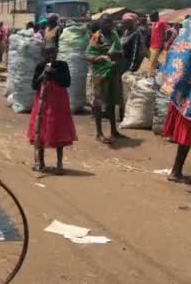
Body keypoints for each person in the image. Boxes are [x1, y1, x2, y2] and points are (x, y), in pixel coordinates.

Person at [27, 46, 77, 174]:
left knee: (58, 130)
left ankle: (59, 164)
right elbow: (34, 85)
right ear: (43, 54)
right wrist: (42, 75)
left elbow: (67, 82)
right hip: (43, 103)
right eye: (47, 53)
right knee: (41, 130)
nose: (51, 55)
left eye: (53, 53)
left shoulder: (62, 65)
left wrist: (54, 73)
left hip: (58, 103)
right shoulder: (40, 66)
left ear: (56, 53)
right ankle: (41, 162)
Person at [156, 19, 191, 183]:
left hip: (183, 87)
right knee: (187, 134)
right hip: (187, 91)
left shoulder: (187, 29)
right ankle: (176, 171)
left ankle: (176, 170)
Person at [86, 14, 125, 144]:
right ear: (100, 24)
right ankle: (99, 133)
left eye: (109, 23)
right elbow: (88, 55)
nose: (107, 26)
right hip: (99, 74)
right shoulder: (96, 37)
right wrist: (100, 58)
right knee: (98, 103)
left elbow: (121, 52)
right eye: (104, 23)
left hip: (113, 73)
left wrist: (116, 55)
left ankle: (113, 130)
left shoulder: (114, 35)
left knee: (111, 102)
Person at [148, 11, 169, 76]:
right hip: (152, 44)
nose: (150, 19)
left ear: (156, 16)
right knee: (151, 60)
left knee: (153, 61)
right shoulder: (154, 23)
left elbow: (169, 31)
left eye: (151, 17)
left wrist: (165, 41)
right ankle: (155, 72)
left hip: (157, 45)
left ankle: (151, 74)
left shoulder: (162, 22)